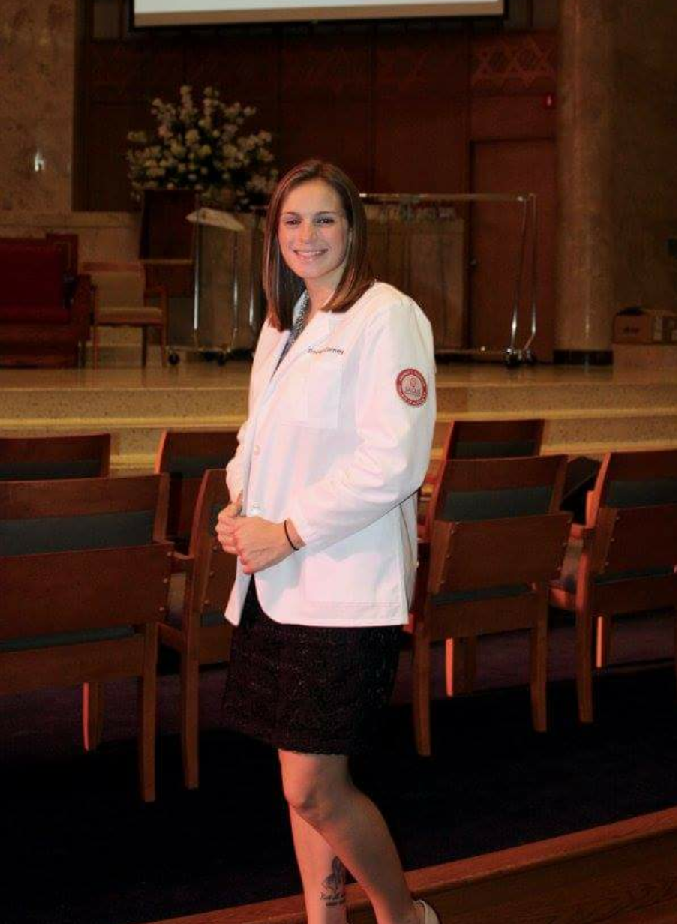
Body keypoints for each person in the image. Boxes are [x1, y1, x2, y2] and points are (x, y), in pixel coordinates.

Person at [216, 159, 439, 924]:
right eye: (291, 221)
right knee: (299, 783)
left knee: (313, 787)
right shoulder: (284, 324)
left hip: (341, 585)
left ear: (352, 229)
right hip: (273, 582)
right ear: (273, 233)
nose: (305, 236)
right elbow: (256, 435)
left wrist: (287, 529)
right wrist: (237, 502)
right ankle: (325, 918)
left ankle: (401, 913)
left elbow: (395, 459)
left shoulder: (387, 316)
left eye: (323, 220)